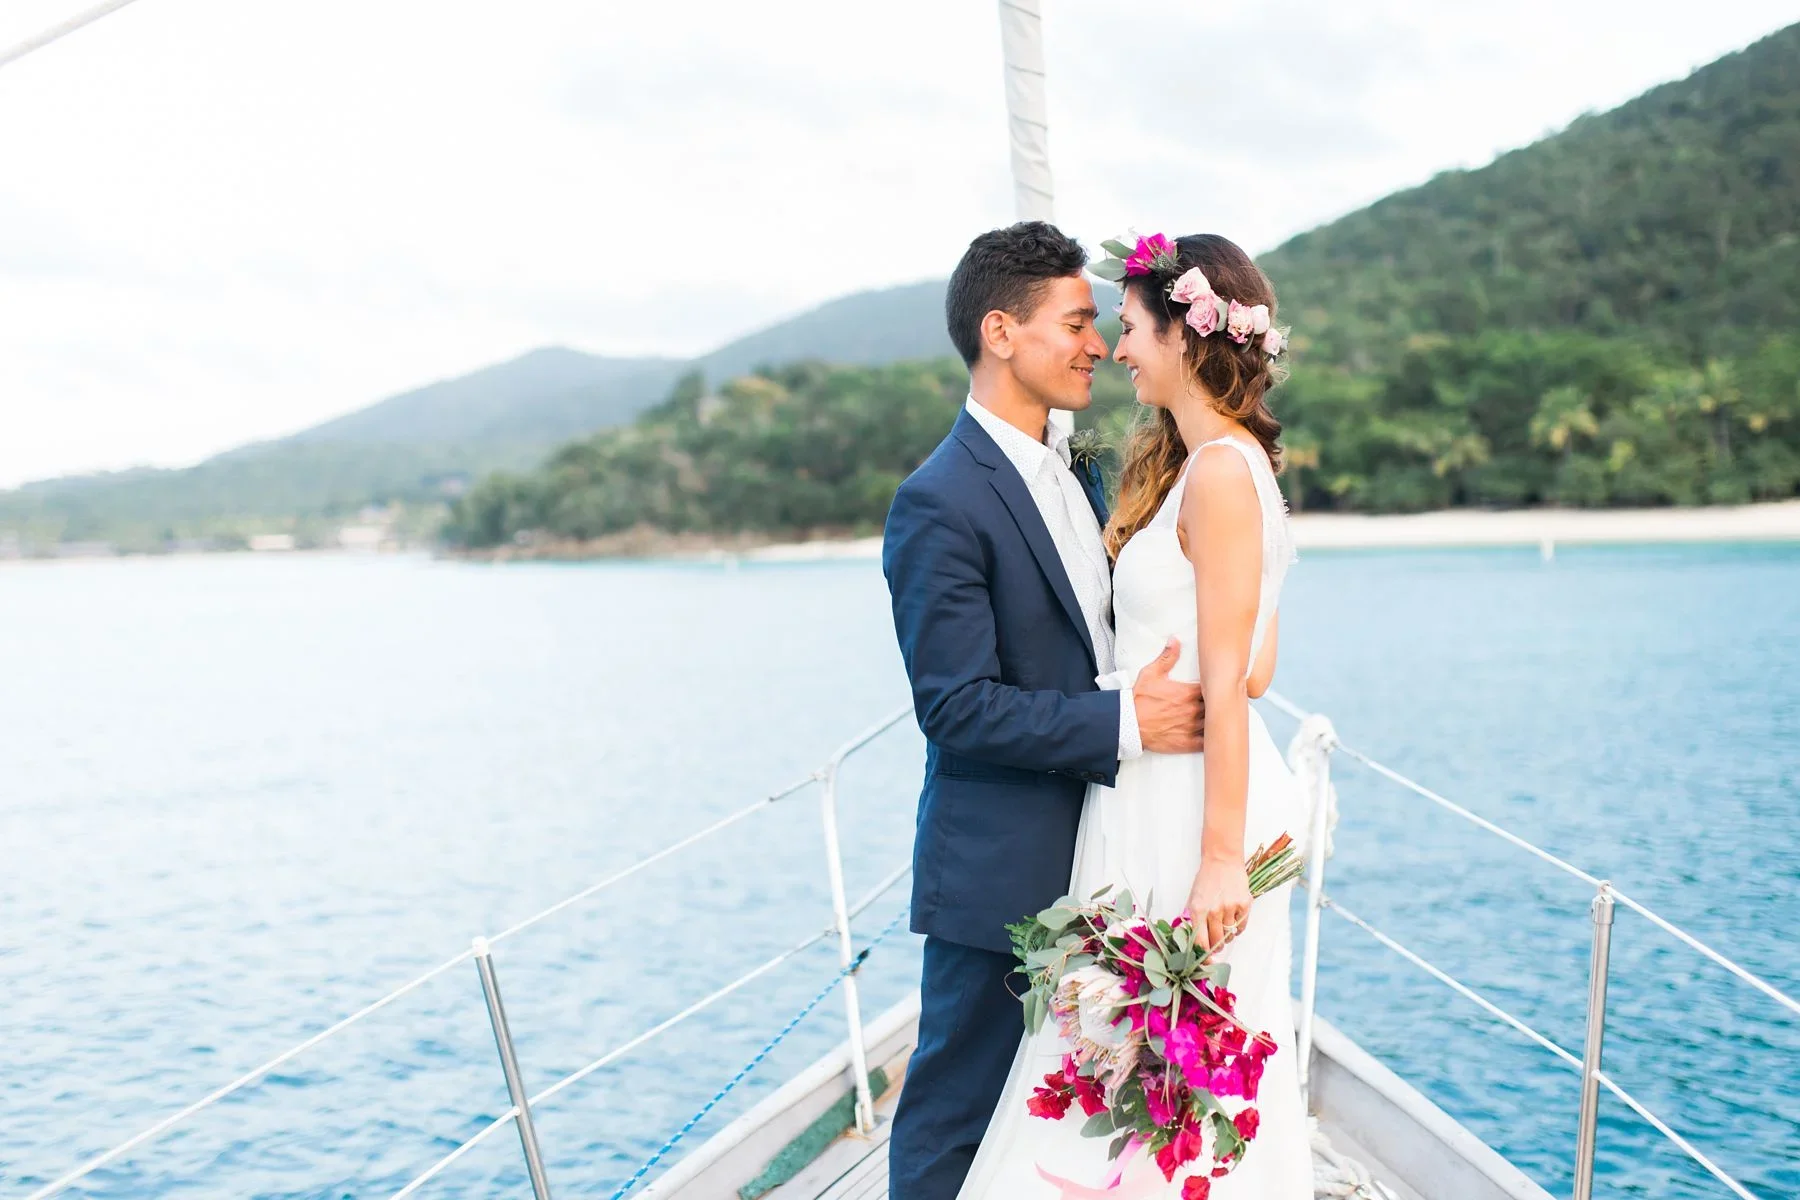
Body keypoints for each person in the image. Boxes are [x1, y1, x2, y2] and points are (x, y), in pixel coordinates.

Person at [956, 232, 1310, 1198]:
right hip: (1162, 780)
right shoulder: (1217, 466)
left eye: (1130, 328)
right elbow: (1259, 668)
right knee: (1142, 1071)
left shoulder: (1222, 474)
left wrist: (1221, 858)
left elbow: (1232, 683)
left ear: (1185, 337)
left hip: (1191, 808)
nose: (1116, 349)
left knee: (1162, 1077)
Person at [882, 221, 1207, 1200]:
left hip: (1106, 849)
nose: (1097, 344)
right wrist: (1127, 726)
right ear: (1000, 332)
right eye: (1074, 323)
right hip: (1000, 870)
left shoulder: (1080, 468)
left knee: (1073, 1113)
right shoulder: (939, 500)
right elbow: (955, 707)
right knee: (958, 1117)